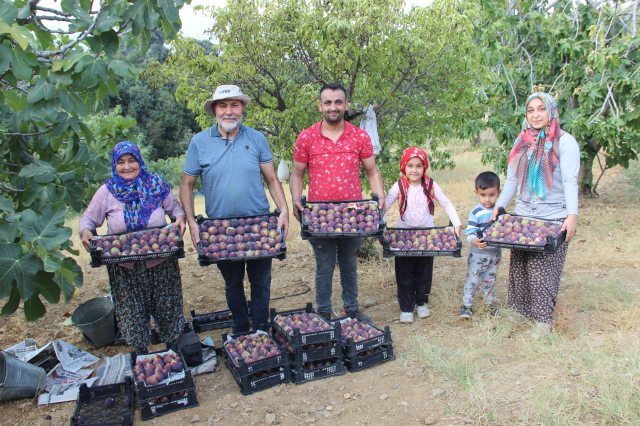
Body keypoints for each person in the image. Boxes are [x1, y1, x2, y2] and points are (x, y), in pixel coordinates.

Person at [180, 84, 289, 334]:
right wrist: (192, 223)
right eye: (223, 105)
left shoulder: (257, 138)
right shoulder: (199, 142)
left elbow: (272, 179)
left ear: (242, 109)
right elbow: (187, 185)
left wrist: (282, 209)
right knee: (232, 282)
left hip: (259, 224)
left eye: (234, 105)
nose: (229, 111)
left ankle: (262, 326)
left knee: (261, 280)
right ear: (214, 110)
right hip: (220, 228)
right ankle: (240, 327)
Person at [290, 83, 386, 323]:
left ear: (346, 105)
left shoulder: (359, 135)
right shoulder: (307, 137)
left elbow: (372, 170)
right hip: (319, 215)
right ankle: (323, 312)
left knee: (349, 264)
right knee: (324, 266)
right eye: (328, 102)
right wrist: (295, 198)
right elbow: (297, 173)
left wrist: (380, 194)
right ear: (320, 105)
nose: (333, 107)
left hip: (352, 214)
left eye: (338, 102)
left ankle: (351, 309)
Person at [79, 141, 187, 351]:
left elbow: (173, 207)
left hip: (161, 262)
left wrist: (180, 217)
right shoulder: (107, 191)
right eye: (121, 162)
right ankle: (142, 354)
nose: (127, 166)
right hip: (125, 268)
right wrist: (85, 231)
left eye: (132, 161)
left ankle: (173, 350)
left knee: (168, 308)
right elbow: (88, 219)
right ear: (114, 165)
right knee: (132, 313)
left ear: (140, 162)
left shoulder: (156, 184)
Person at [491, 92, 579, 337]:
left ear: (551, 111)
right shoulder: (522, 140)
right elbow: (512, 179)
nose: (536, 114)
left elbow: (571, 180)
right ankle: (521, 312)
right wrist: (500, 205)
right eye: (531, 110)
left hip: (554, 216)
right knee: (520, 267)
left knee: (543, 269)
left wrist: (572, 215)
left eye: (541, 109)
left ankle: (543, 321)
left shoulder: (565, 142)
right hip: (524, 216)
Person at [383, 147, 462, 323]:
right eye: (410, 166)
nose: (414, 170)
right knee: (404, 272)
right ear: (404, 167)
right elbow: (386, 205)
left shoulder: (431, 185)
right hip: (403, 236)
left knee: (424, 271)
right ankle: (406, 307)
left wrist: (457, 223)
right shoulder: (399, 186)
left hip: (427, 236)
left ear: (424, 167)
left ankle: (421, 303)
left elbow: (446, 203)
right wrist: (381, 226)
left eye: (419, 166)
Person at [460, 171, 502, 319]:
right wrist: (473, 241)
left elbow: (503, 230)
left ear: (498, 193)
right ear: (476, 193)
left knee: (490, 280)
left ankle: (488, 304)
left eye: (492, 195)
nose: (487, 199)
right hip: (478, 254)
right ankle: (467, 305)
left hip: (495, 253)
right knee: (473, 279)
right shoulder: (476, 212)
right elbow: (470, 232)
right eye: (483, 195)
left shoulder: (500, 212)